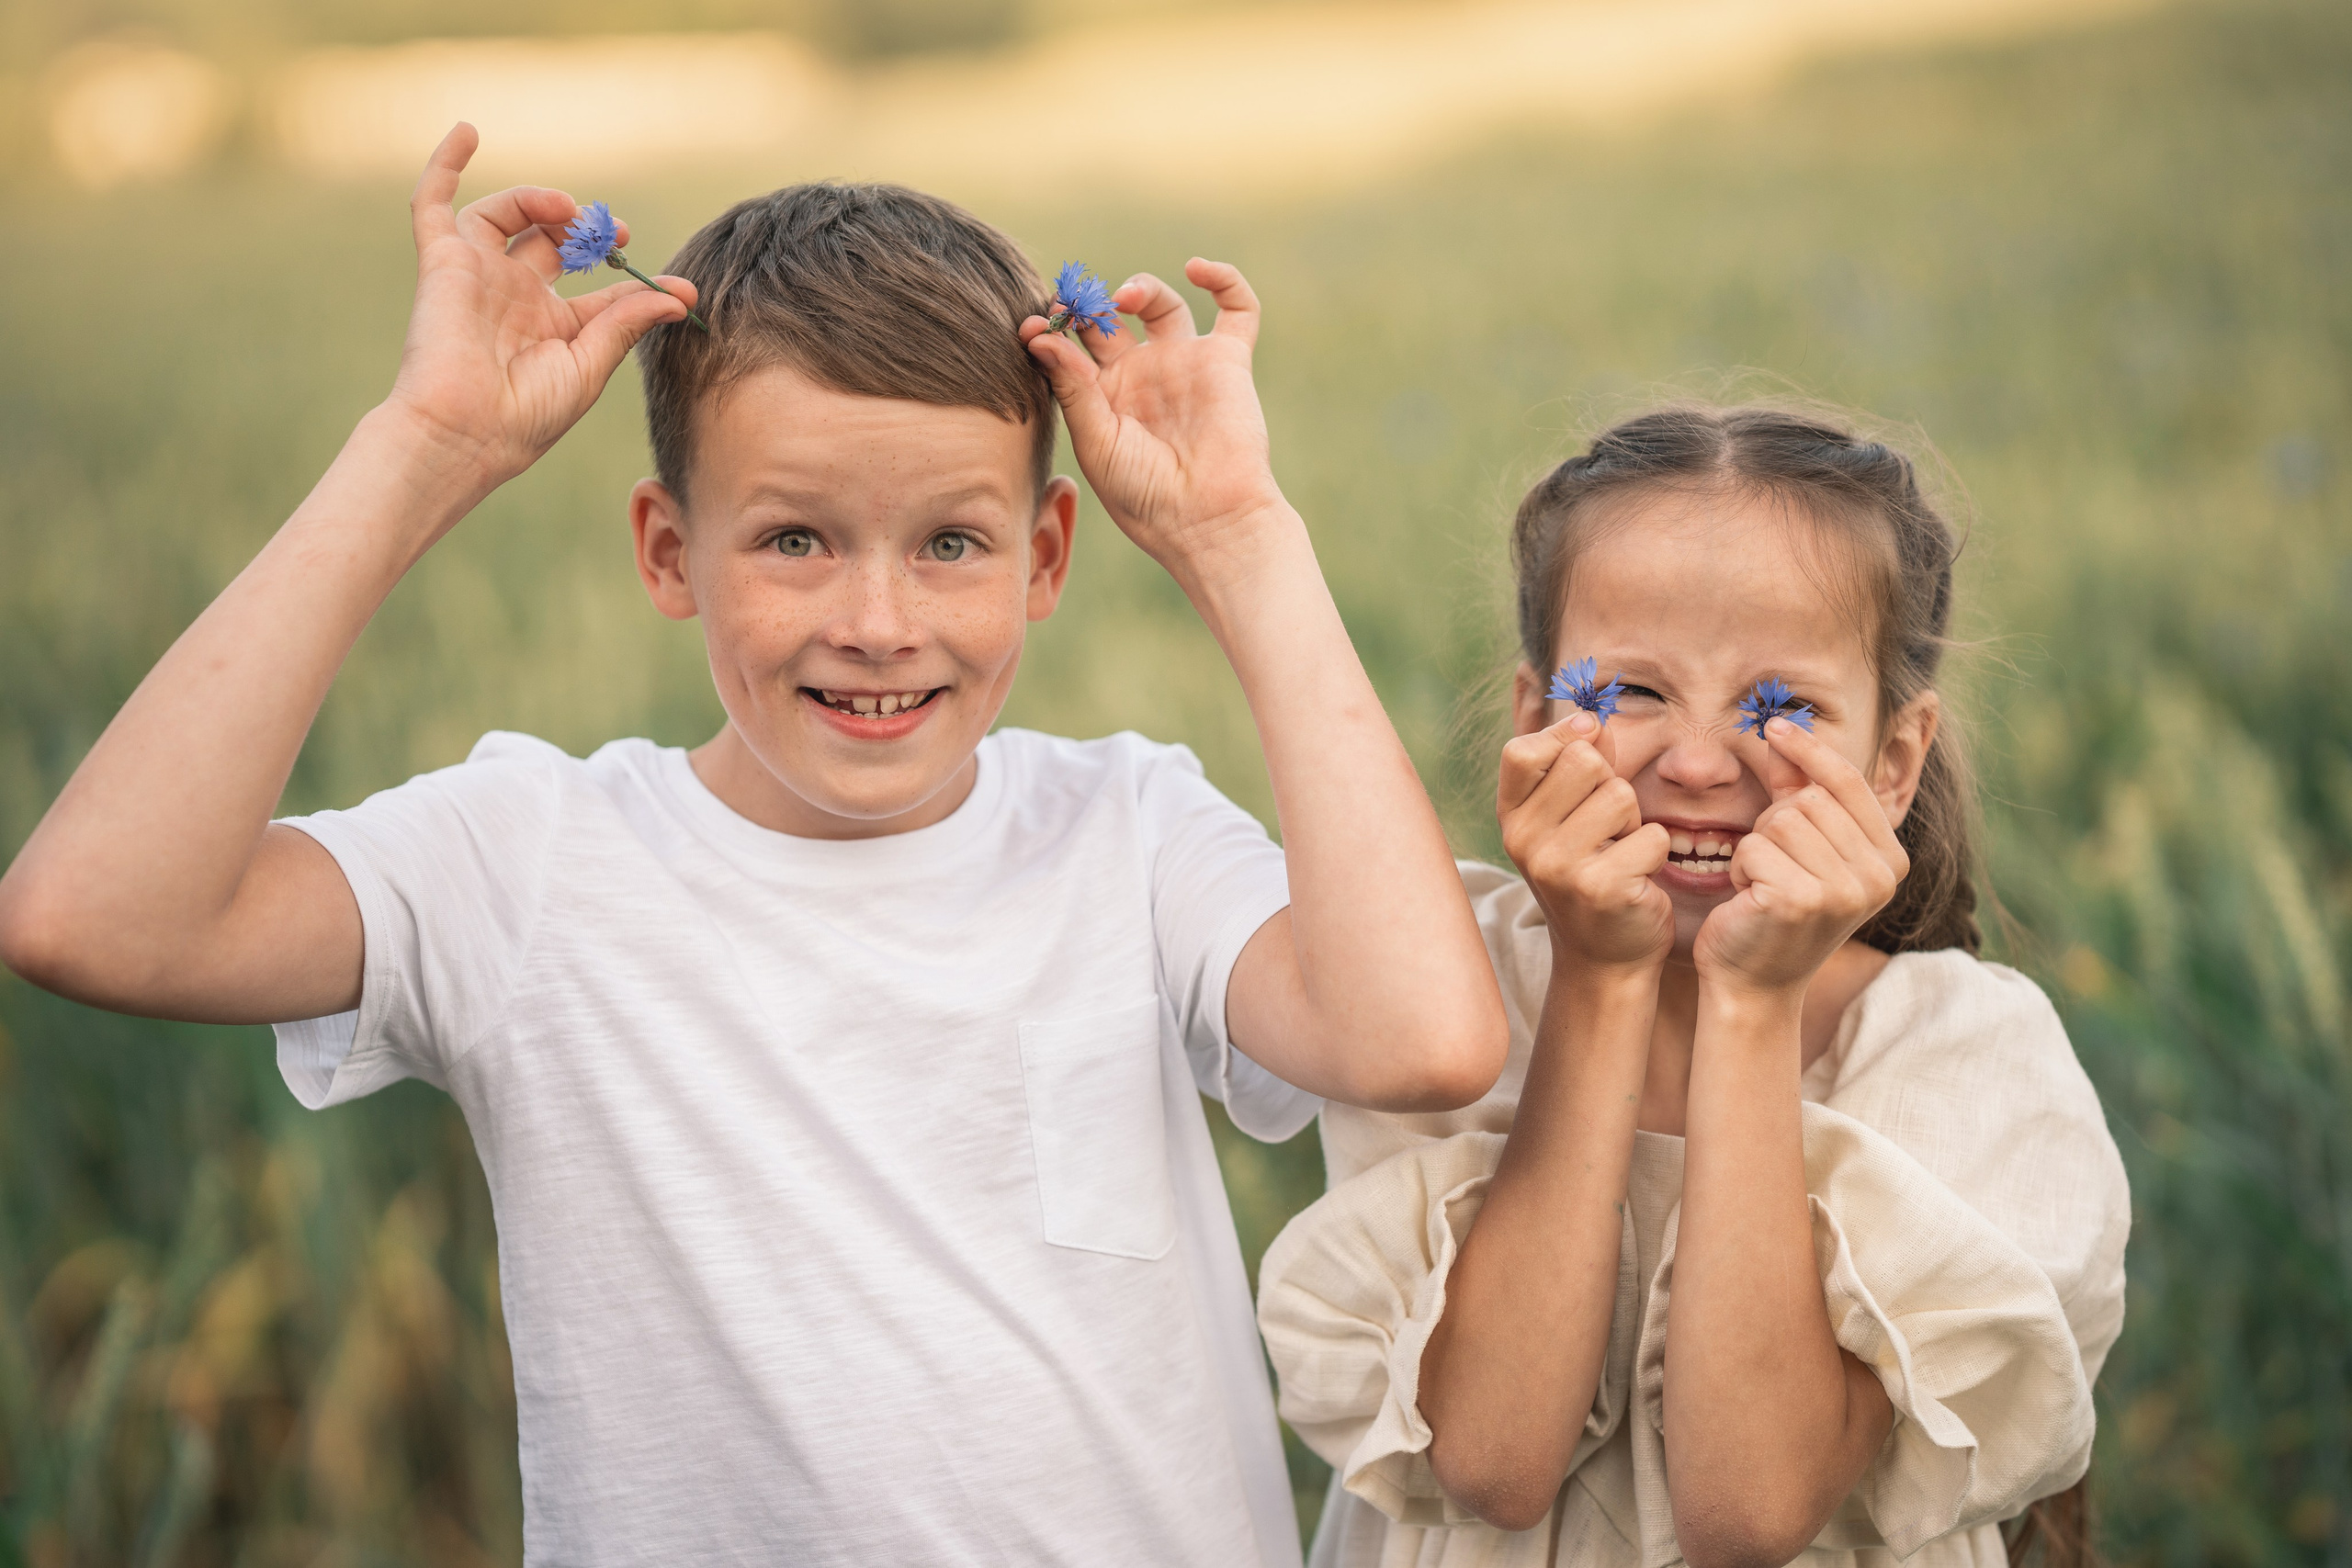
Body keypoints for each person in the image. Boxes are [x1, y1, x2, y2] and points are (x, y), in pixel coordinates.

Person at [0, 125, 1510, 1564]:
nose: (877, 621)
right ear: (670, 553)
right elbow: (93, 916)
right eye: (795, 538)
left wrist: (1239, 538)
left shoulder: (1131, 828)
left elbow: (1425, 1039)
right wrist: (421, 449)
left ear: (1046, 555)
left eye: (951, 542)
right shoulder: (526, 861)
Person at [1257, 404, 2130, 1568]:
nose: (1700, 762)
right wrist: (1600, 979)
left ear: (1892, 765)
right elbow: (1493, 1461)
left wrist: (1754, 1005)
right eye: (1627, 693)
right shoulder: (1444, 990)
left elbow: (1747, 1510)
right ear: (1533, 720)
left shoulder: (1965, 1059)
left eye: (1783, 705)